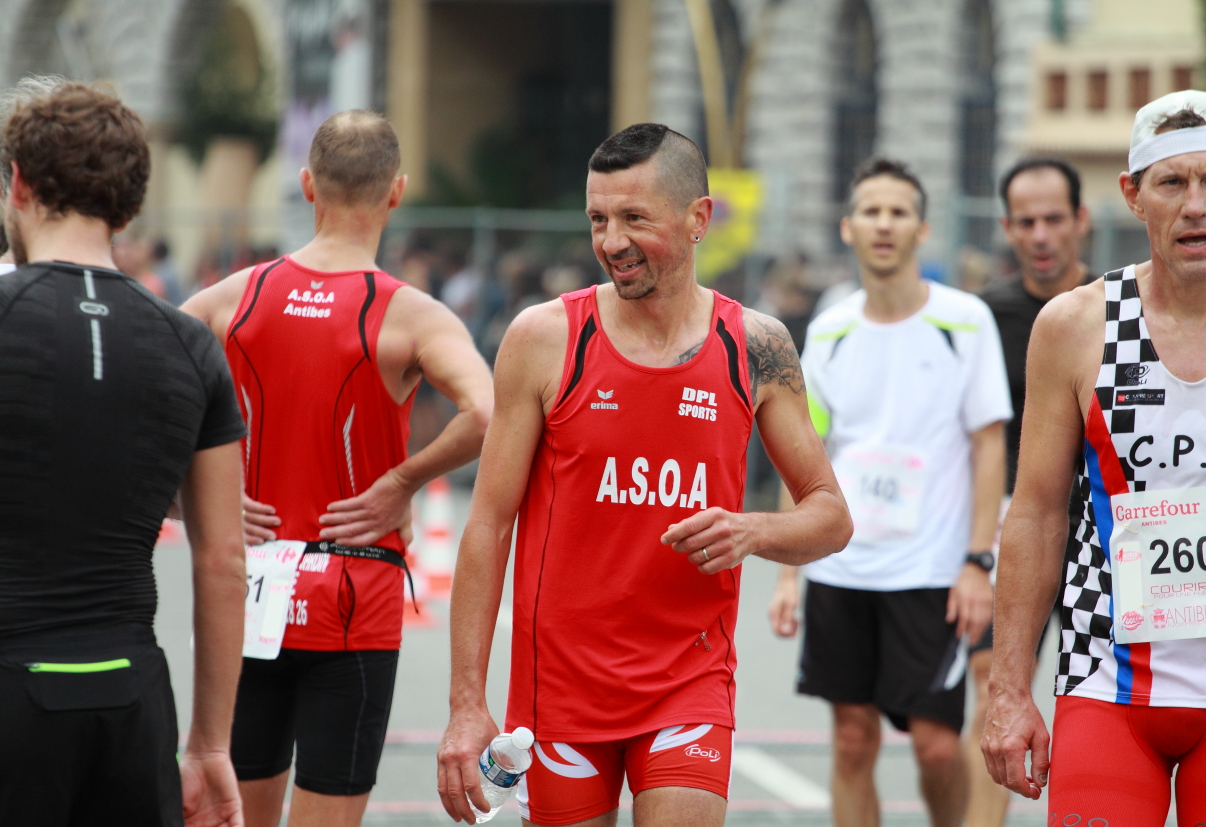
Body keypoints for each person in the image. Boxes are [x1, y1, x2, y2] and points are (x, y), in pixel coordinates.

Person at [435, 122, 852, 827]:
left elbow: (830, 515)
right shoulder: (545, 338)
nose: (611, 241)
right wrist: (467, 702)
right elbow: (489, 523)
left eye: (634, 218)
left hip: (688, 682)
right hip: (559, 693)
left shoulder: (755, 345)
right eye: (598, 218)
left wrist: (753, 529)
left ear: (699, 219)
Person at [181, 110, 494, 827]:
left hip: (250, 587)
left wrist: (193, 495)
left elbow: (137, 382)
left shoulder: (232, 298)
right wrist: (404, 480)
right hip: (353, 595)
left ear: (305, 184)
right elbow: (486, 410)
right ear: (397, 192)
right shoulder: (411, 313)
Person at [982, 89, 1206, 823]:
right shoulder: (1075, 325)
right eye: (1172, 182)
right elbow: (1034, 512)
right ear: (1133, 195)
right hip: (1108, 679)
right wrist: (1007, 689)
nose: (1196, 205)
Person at [0, 82, 247, 825]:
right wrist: (209, 743)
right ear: (131, 207)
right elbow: (223, 558)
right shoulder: (190, 342)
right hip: (134, 697)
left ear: (18, 181)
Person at [769, 158, 1010, 827]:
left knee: (935, 746)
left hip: (933, 571)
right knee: (851, 738)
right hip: (842, 565)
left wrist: (977, 560)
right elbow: (805, 453)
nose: (884, 223)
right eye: (871, 211)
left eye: (899, 211)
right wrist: (791, 571)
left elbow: (989, 445)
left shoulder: (965, 320)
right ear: (848, 228)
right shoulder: (828, 327)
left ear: (922, 229)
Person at [966, 158, 1094, 827]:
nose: (1041, 234)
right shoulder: (984, 317)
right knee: (996, 686)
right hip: (1017, 532)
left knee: (1101, 698)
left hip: (1112, 540)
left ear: (1082, 220)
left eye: (1054, 218)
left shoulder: (1118, 310)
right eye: (1026, 221)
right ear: (1008, 229)